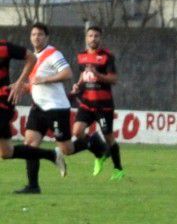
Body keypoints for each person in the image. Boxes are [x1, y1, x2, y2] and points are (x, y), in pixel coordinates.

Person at [13, 23, 76, 195]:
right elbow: (35, 83)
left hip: (56, 108)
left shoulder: (53, 54)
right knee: (30, 145)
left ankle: (92, 142)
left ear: (46, 37)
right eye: (33, 34)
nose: (36, 37)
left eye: (40, 34)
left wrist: (46, 79)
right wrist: (20, 87)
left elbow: (67, 73)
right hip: (38, 108)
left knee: (67, 149)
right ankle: (33, 186)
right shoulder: (33, 56)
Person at [0, 37, 58, 191]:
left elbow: (31, 58)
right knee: (6, 152)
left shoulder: (5, 47)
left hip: (3, 101)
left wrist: (20, 81)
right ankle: (50, 155)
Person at [72, 25, 124, 181]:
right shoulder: (81, 56)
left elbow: (113, 79)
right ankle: (99, 153)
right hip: (87, 103)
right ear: (86, 38)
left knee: (109, 137)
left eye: (96, 36)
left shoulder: (107, 56)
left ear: (100, 39)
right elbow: (83, 75)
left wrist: (97, 74)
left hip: (104, 105)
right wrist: (78, 85)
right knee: (77, 131)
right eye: (90, 36)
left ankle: (118, 169)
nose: (93, 38)